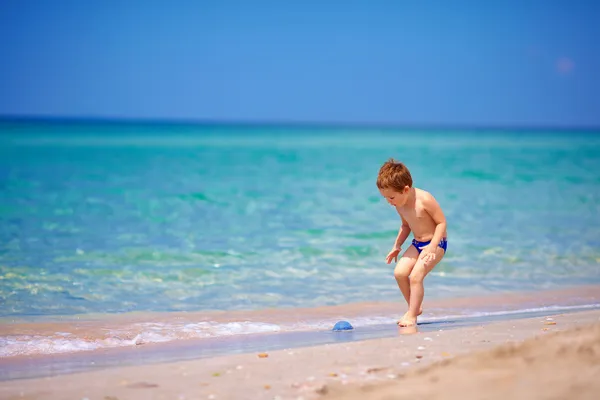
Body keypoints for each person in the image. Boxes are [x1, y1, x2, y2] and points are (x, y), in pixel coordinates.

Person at [376, 159, 448, 327]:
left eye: (391, 197)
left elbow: (441, 223)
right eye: (385, 198)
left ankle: (412, 316)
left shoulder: (425, 199)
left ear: (405, 189)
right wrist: (397, 246)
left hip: (436, 243)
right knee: (400, 273)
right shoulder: (399, 204)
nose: (389, 202)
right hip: (418, 243)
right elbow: (406, 225)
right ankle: (415, 307)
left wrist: (432, 245)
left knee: (416, 277)